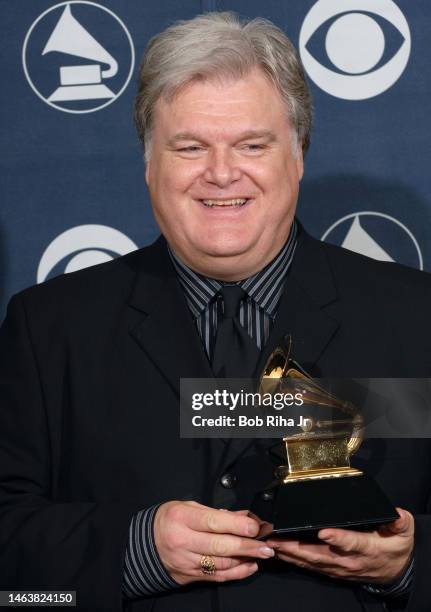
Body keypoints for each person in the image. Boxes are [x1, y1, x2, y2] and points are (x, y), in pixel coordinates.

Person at [0, 11, 430, 612]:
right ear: (149, 164)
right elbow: (12, 566)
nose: (222, 173)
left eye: (252, 145)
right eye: (190, 147)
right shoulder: (49, 328)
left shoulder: (417, 318)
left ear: (299, 156)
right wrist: (133, 550)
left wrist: (411, 565)